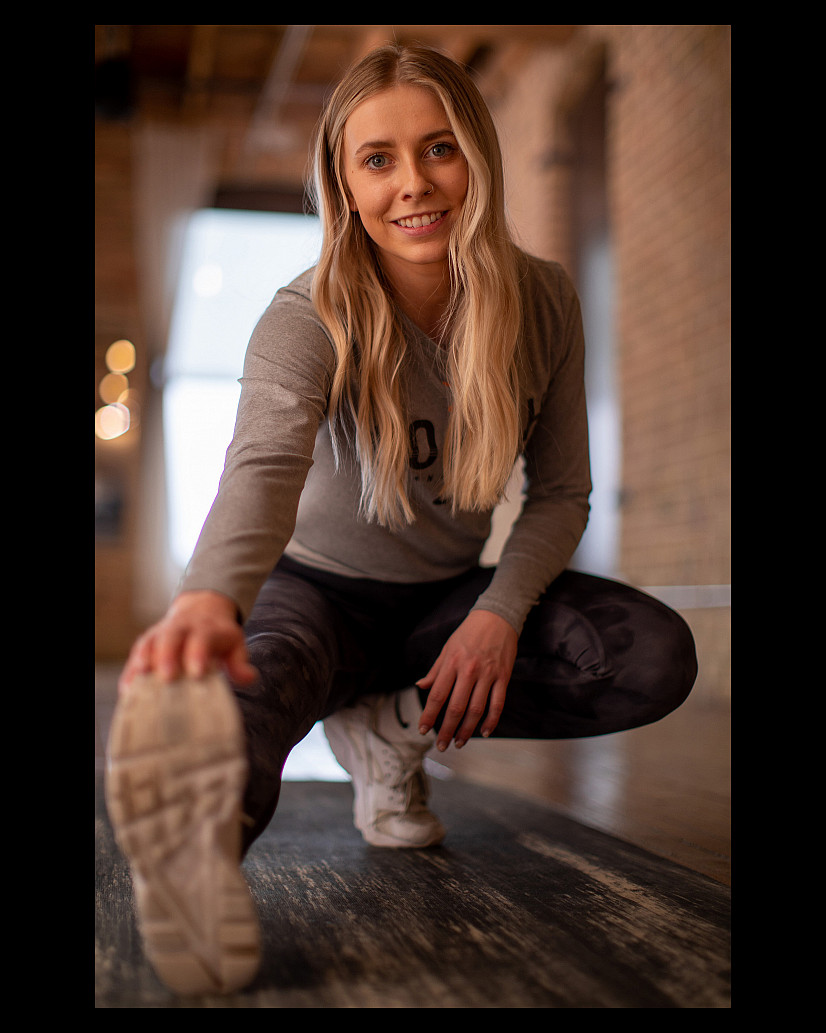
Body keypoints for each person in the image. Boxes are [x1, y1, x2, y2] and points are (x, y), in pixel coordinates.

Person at [105, 42, 698, 997]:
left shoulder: (542, 299)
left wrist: (498, 614)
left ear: (480, 154)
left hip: (442, 603)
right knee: (239, 709)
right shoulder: (304, 316)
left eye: (439, 148)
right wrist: (210, 599)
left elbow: (559, 494)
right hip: (316, 594)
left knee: (651, 654)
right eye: (376, 159)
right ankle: (196, 863)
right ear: (343, 184)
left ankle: (392, 729)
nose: (413, 184)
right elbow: (261, 467)